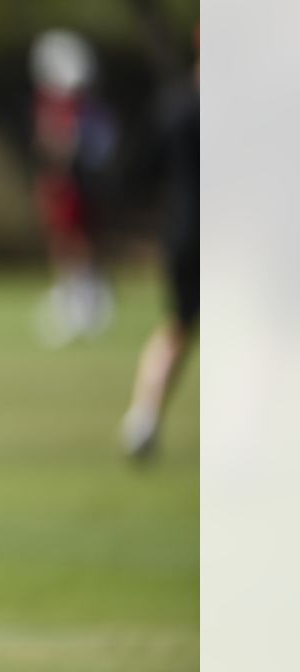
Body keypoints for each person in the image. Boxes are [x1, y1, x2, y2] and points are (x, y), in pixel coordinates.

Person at [119, 30, 199, 460]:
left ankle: (144, 417)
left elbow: (140, 171)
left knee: (177, 327)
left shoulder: (175, 105)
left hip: (182, 234)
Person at [28, 29, 118, 347]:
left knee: (77, 241)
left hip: (74, 181)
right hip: (60, 181)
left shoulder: (78, 107)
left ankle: (87, 301)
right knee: (63, 241)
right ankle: (72, 298)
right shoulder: (54, 103)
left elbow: (68, 143)